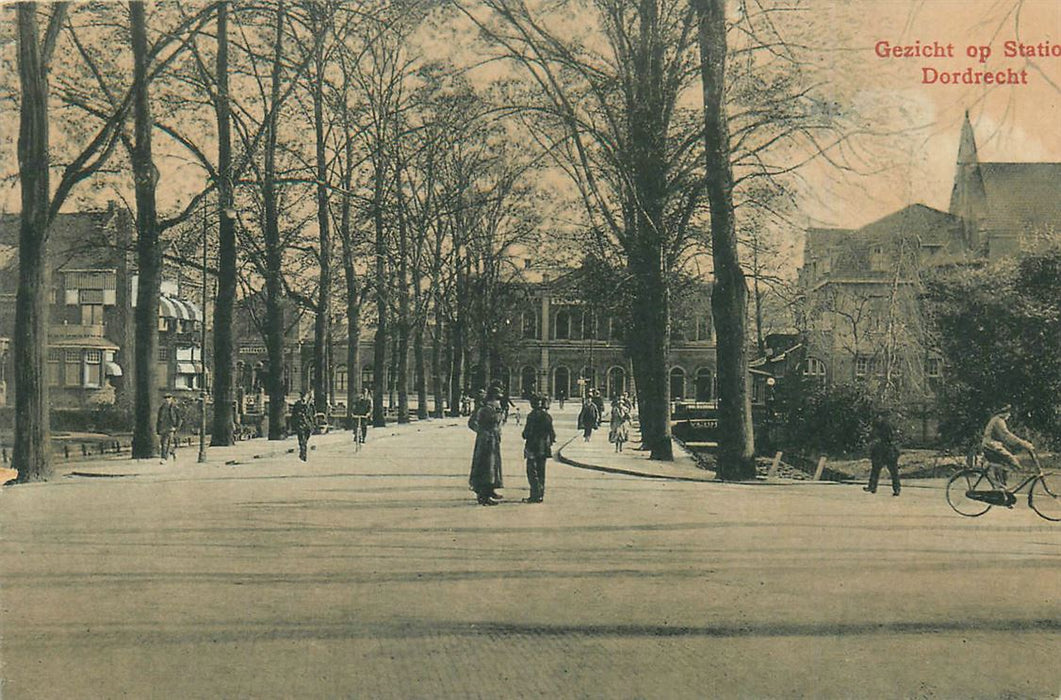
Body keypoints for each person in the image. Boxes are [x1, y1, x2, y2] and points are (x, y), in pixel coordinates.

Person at [981, 404, 1037, 485]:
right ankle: (1000, 485)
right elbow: (1006, 436)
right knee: (1011, 459)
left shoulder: (997, 419)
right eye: (1008, 412)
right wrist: (1023, 443)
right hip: (991, 446)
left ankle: (1001, 485)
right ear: (1003, 413)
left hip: (992, 445)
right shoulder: (998, 421)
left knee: (1003, 465)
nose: (1009, 415)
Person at [468, 384, 505, 505]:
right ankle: (482, 495)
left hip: (494, 440)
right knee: (485, 466)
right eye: (497, 396)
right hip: (485, 441)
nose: (498, 399)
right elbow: (472, 423)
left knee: (493, 466)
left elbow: (498, 422)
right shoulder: (483, 408)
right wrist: (482, 432)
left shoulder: (496, 407)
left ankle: (490, 489)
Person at [521, 395, 556, 503]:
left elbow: (527, 433)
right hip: (544, 447)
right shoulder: (547, 416)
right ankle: (540, 494)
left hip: (533, 446)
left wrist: (524, 435)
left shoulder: (532, 416)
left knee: (532, 471)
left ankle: (534, 495)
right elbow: (552, 434)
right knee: (541, 471)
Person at [864, 413, 901, 496]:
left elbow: (890, 438)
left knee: (893, 471)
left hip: (888, 451)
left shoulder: (887, 426)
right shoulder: (877, 425)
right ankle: (872, 487)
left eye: (879, 417)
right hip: (882, 451)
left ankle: (896, 489)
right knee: (876, 470)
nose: (877, 419)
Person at [156, 393, 183, 464]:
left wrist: (176, 427)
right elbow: (159, 419)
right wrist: (158, 429)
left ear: (171, 398)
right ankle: (172, 452)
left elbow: (179, 418)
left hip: (171, 427)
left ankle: (164, 458)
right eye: (165, 397)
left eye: (168, 397)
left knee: (166, 443)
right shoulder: (161, 408)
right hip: (163, 427)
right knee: (163, 443)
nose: (167, 399)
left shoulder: (175, 407)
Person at [290, 394, 315, 462]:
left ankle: (303, 452)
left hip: (308, 425)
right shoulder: (298, 404)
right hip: (300, 424)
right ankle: (303, 454)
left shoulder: (311, 405)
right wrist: (294, 424)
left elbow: (313, 415)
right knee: (302, 439)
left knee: (305, 440)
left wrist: (313, 425)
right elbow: (294, 415)